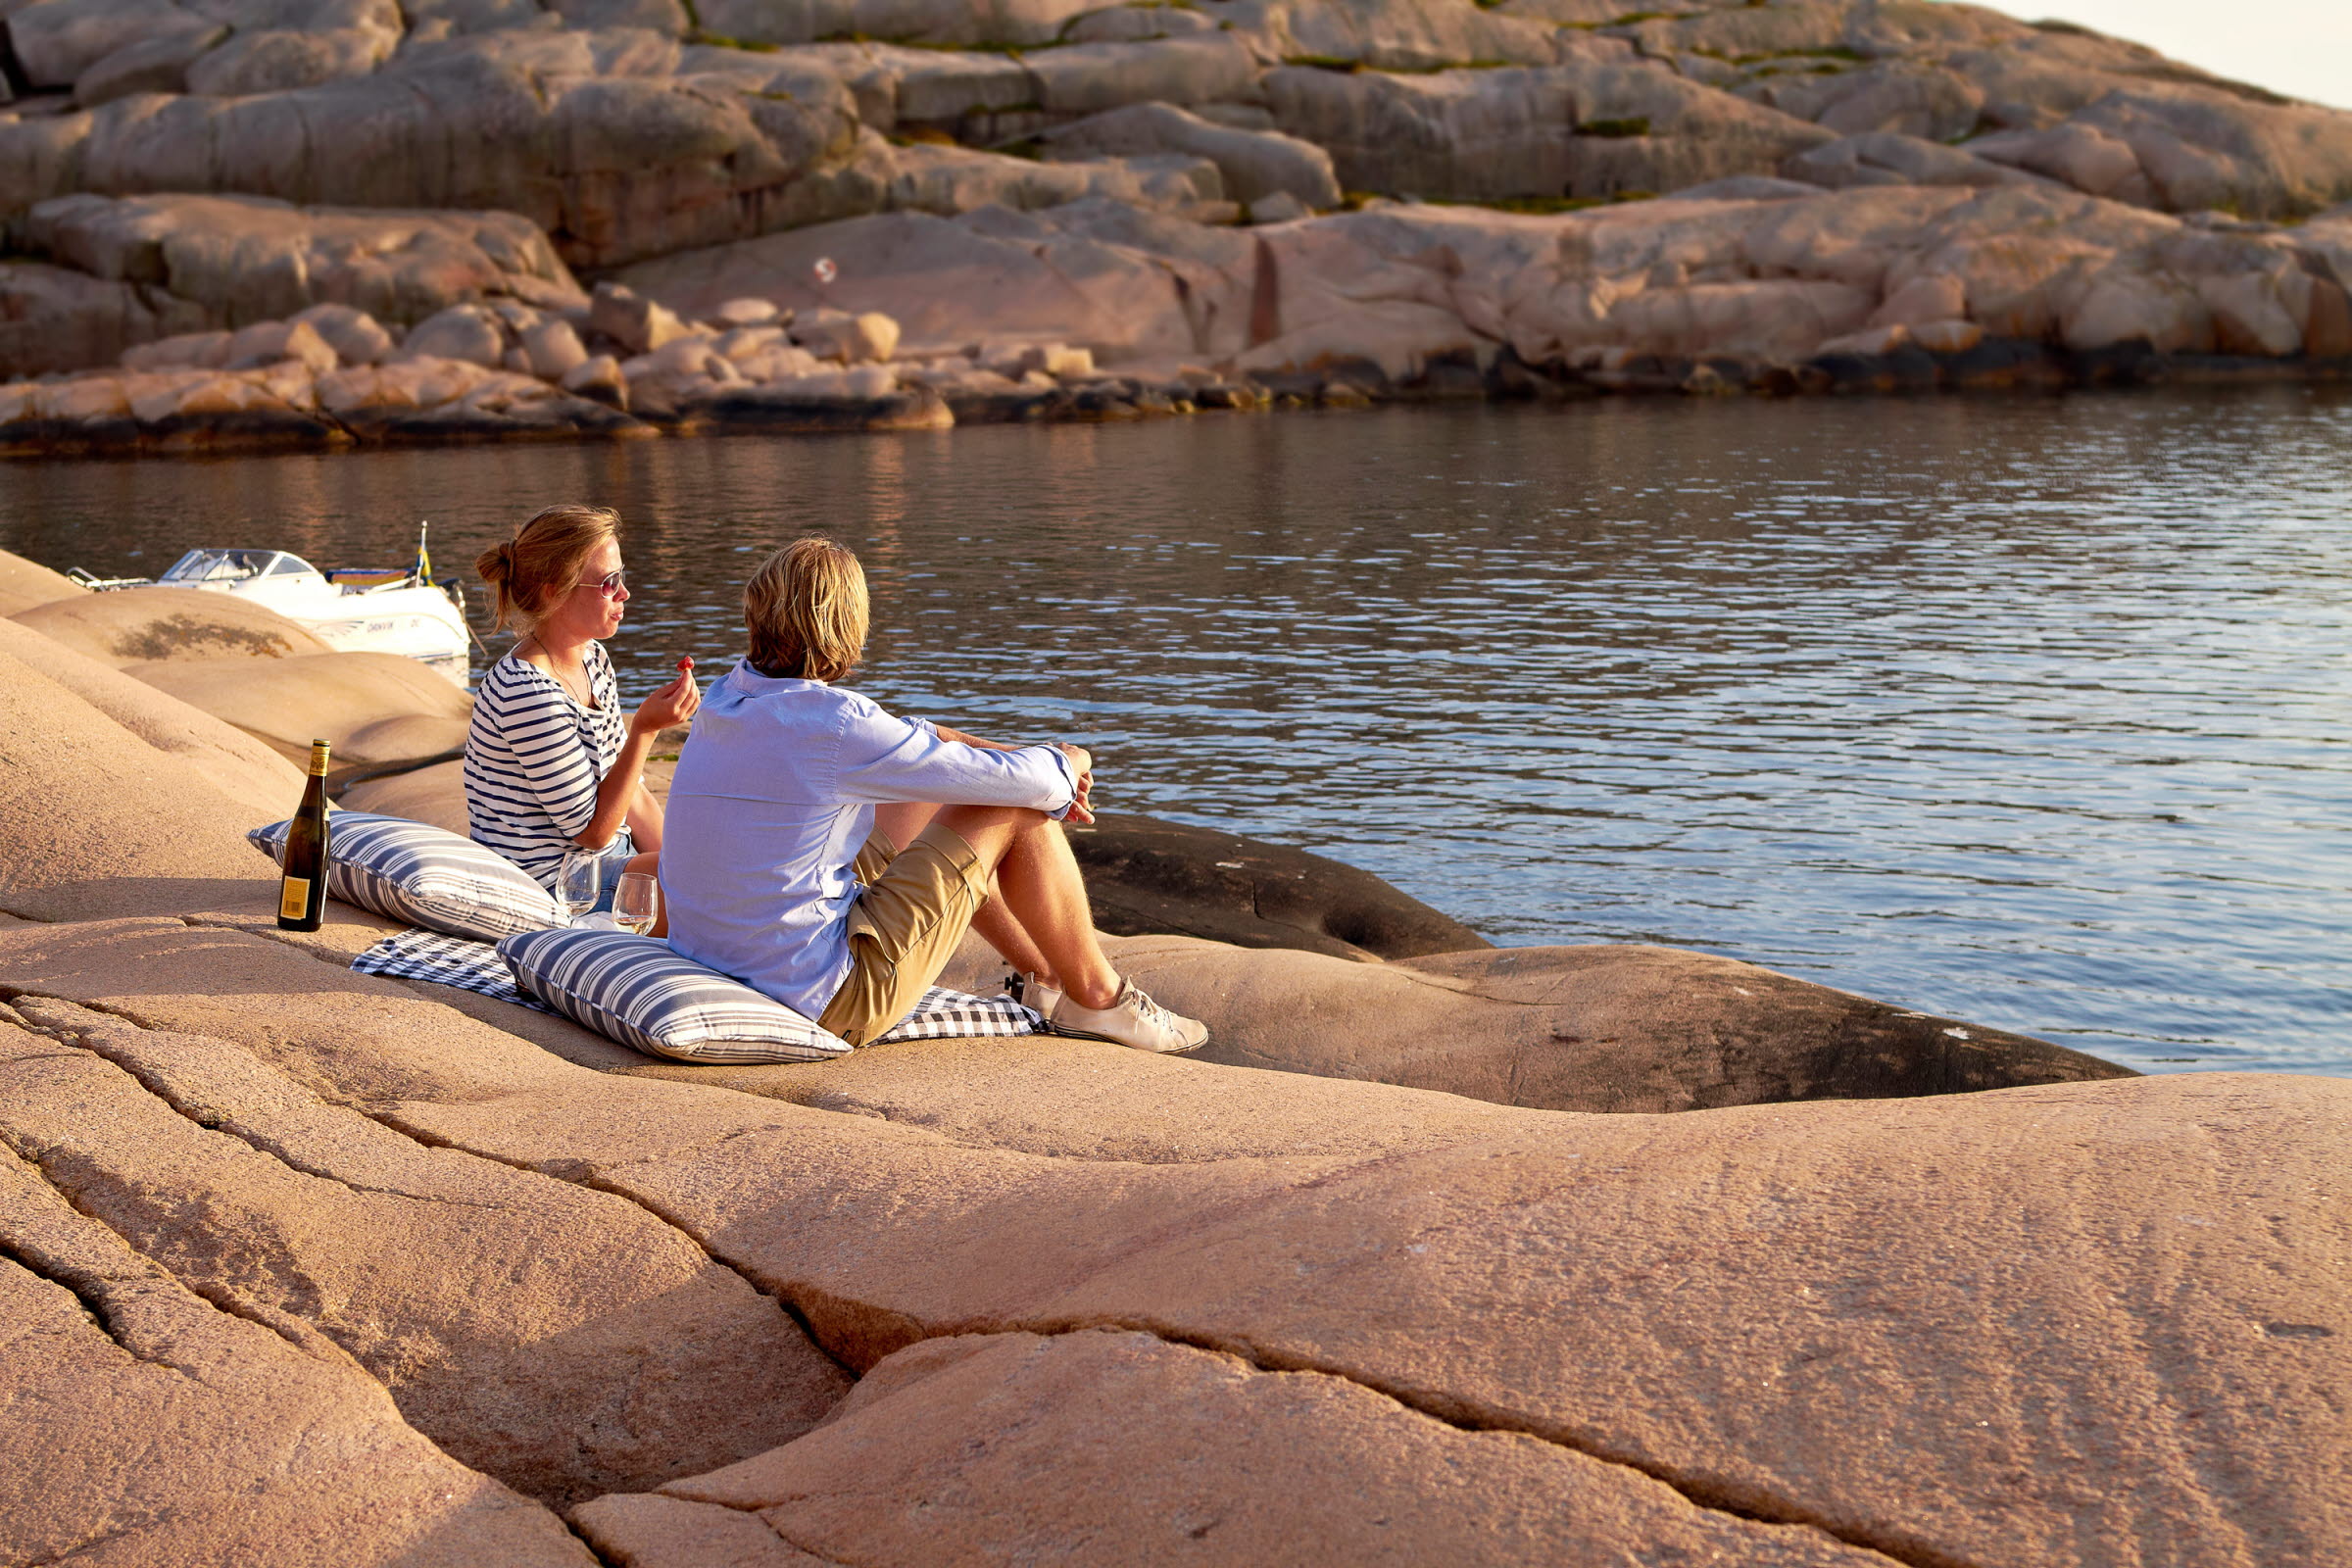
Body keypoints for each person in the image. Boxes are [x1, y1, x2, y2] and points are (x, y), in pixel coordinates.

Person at [662, 535, 1208, 1054]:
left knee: (917, 794)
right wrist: (1070, 758)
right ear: (847, 623)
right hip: (826, 1000)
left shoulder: (725, 699)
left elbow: (916, 742)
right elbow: (1035, 786)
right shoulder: (837, 725)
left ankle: (1042, 980)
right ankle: (1097, 997)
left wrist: (995, 751)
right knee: (1011, 807)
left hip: (725, 959)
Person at [466, 504, 699, 921]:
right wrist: (644, 731)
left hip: (609, 863)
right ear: (554, 590)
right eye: (609, 582)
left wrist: (678, 859)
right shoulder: (525, 691)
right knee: (716, 889)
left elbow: (631, 794)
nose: (624, 593)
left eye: (621, 577)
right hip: (560, 884)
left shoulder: (593, 659)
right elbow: (592, 834)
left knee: (719, 868)